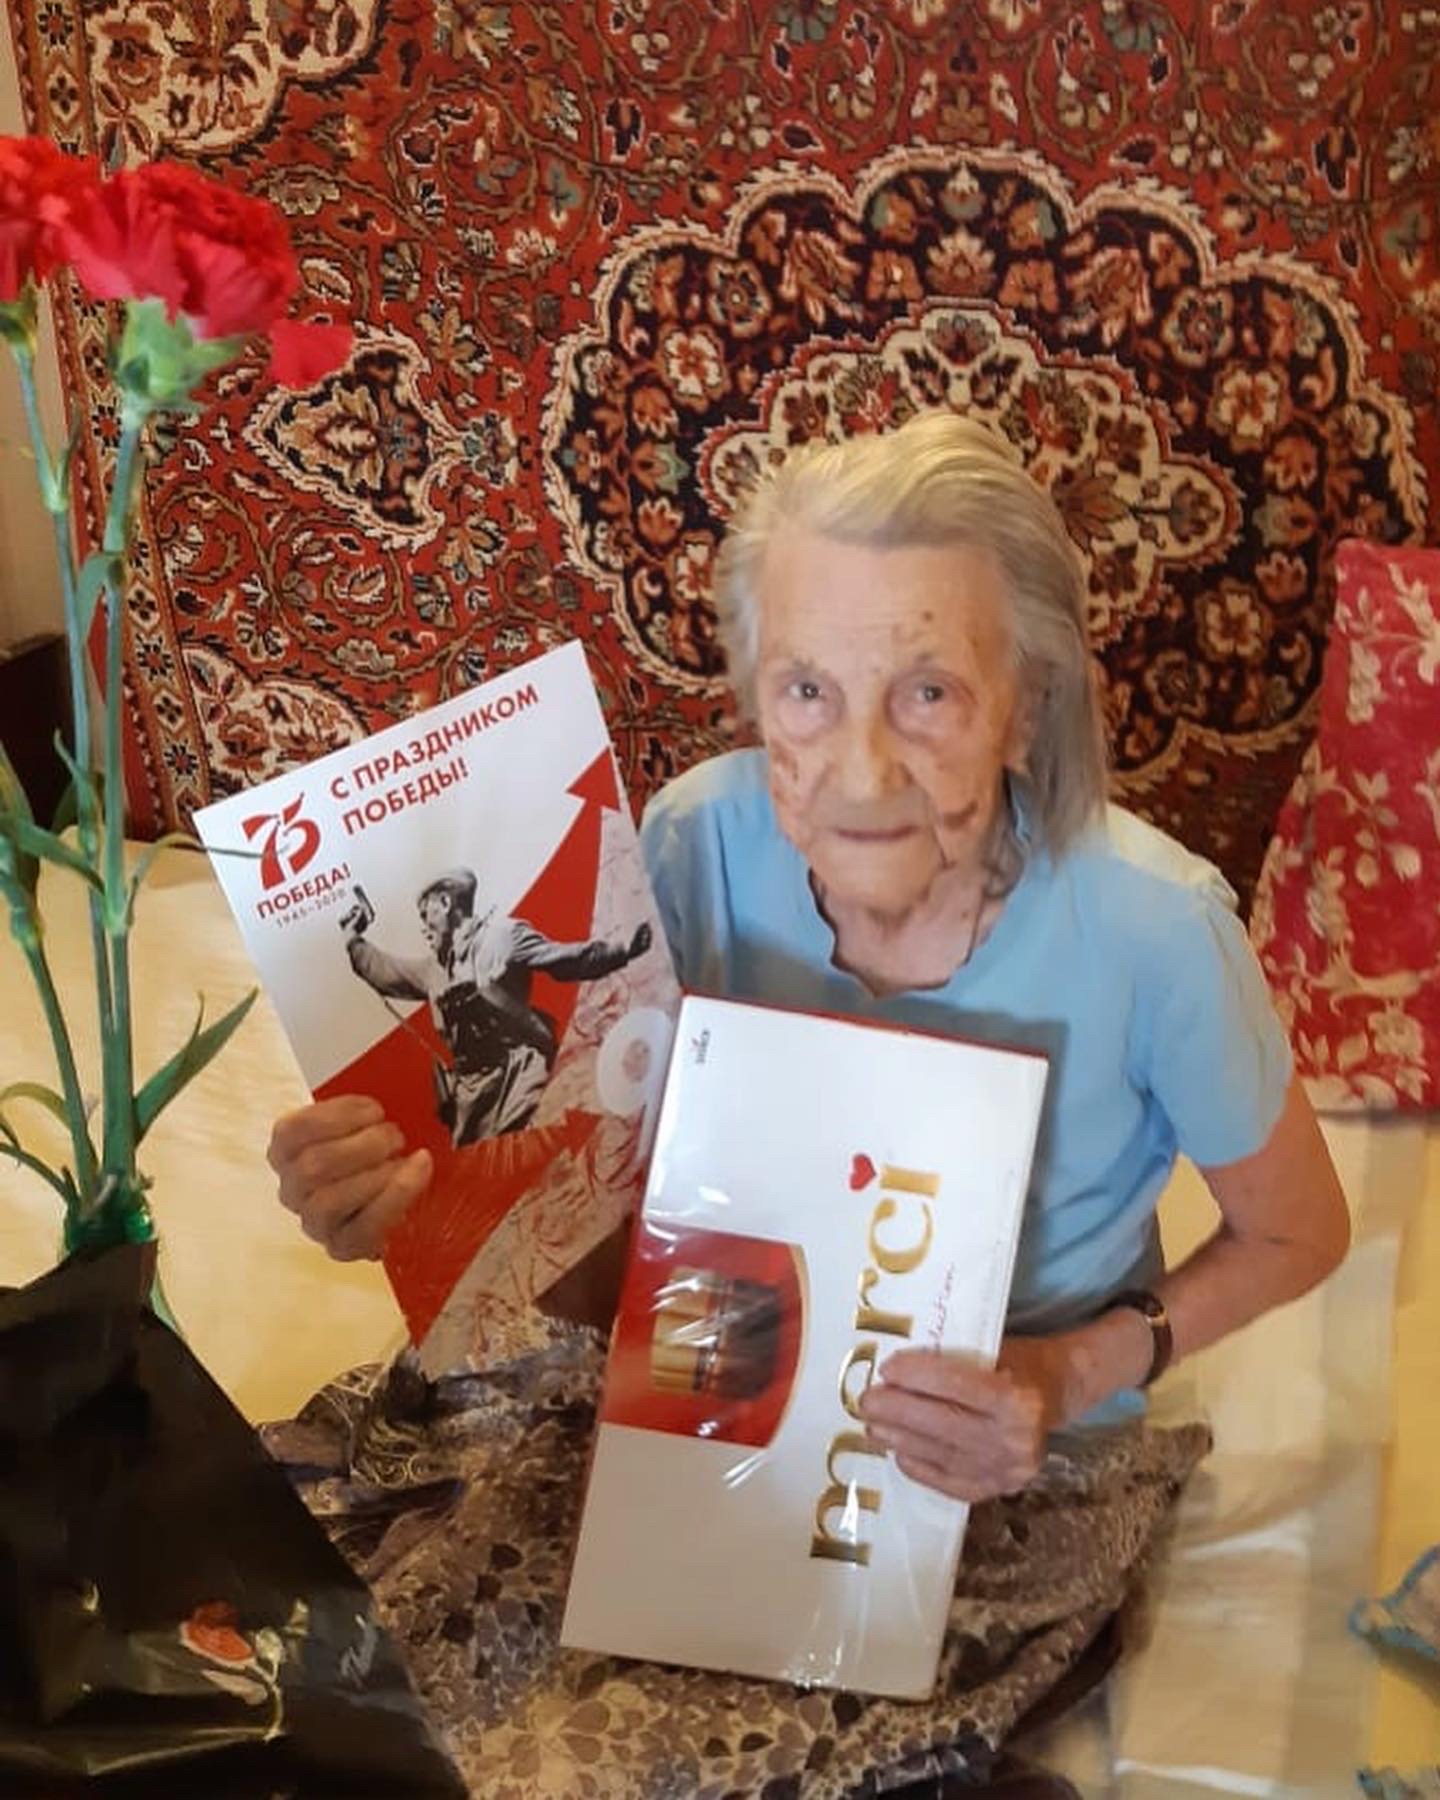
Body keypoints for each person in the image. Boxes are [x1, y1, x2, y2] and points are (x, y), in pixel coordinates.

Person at [270, 412, 1349, 1506]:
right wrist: (412, 1202)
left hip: (1018, 1454)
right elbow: (599, 1224)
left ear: (1027, 708)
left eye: (928, 692)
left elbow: (1298, 1232)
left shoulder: (1159, 928)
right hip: (722, 1376)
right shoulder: (693, 844)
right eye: (807, 691)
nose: (861, 772)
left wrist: (1064, 1375)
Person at [341, 868, 651, 1145]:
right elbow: (384, 971)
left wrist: (623, 950)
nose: (423, 927)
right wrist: (352, 937)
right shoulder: (433, 971)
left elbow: (568, 959)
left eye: (425, 915)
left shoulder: (503, 938)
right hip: (471, 1101)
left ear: (446, 903)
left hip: (519, 1080)